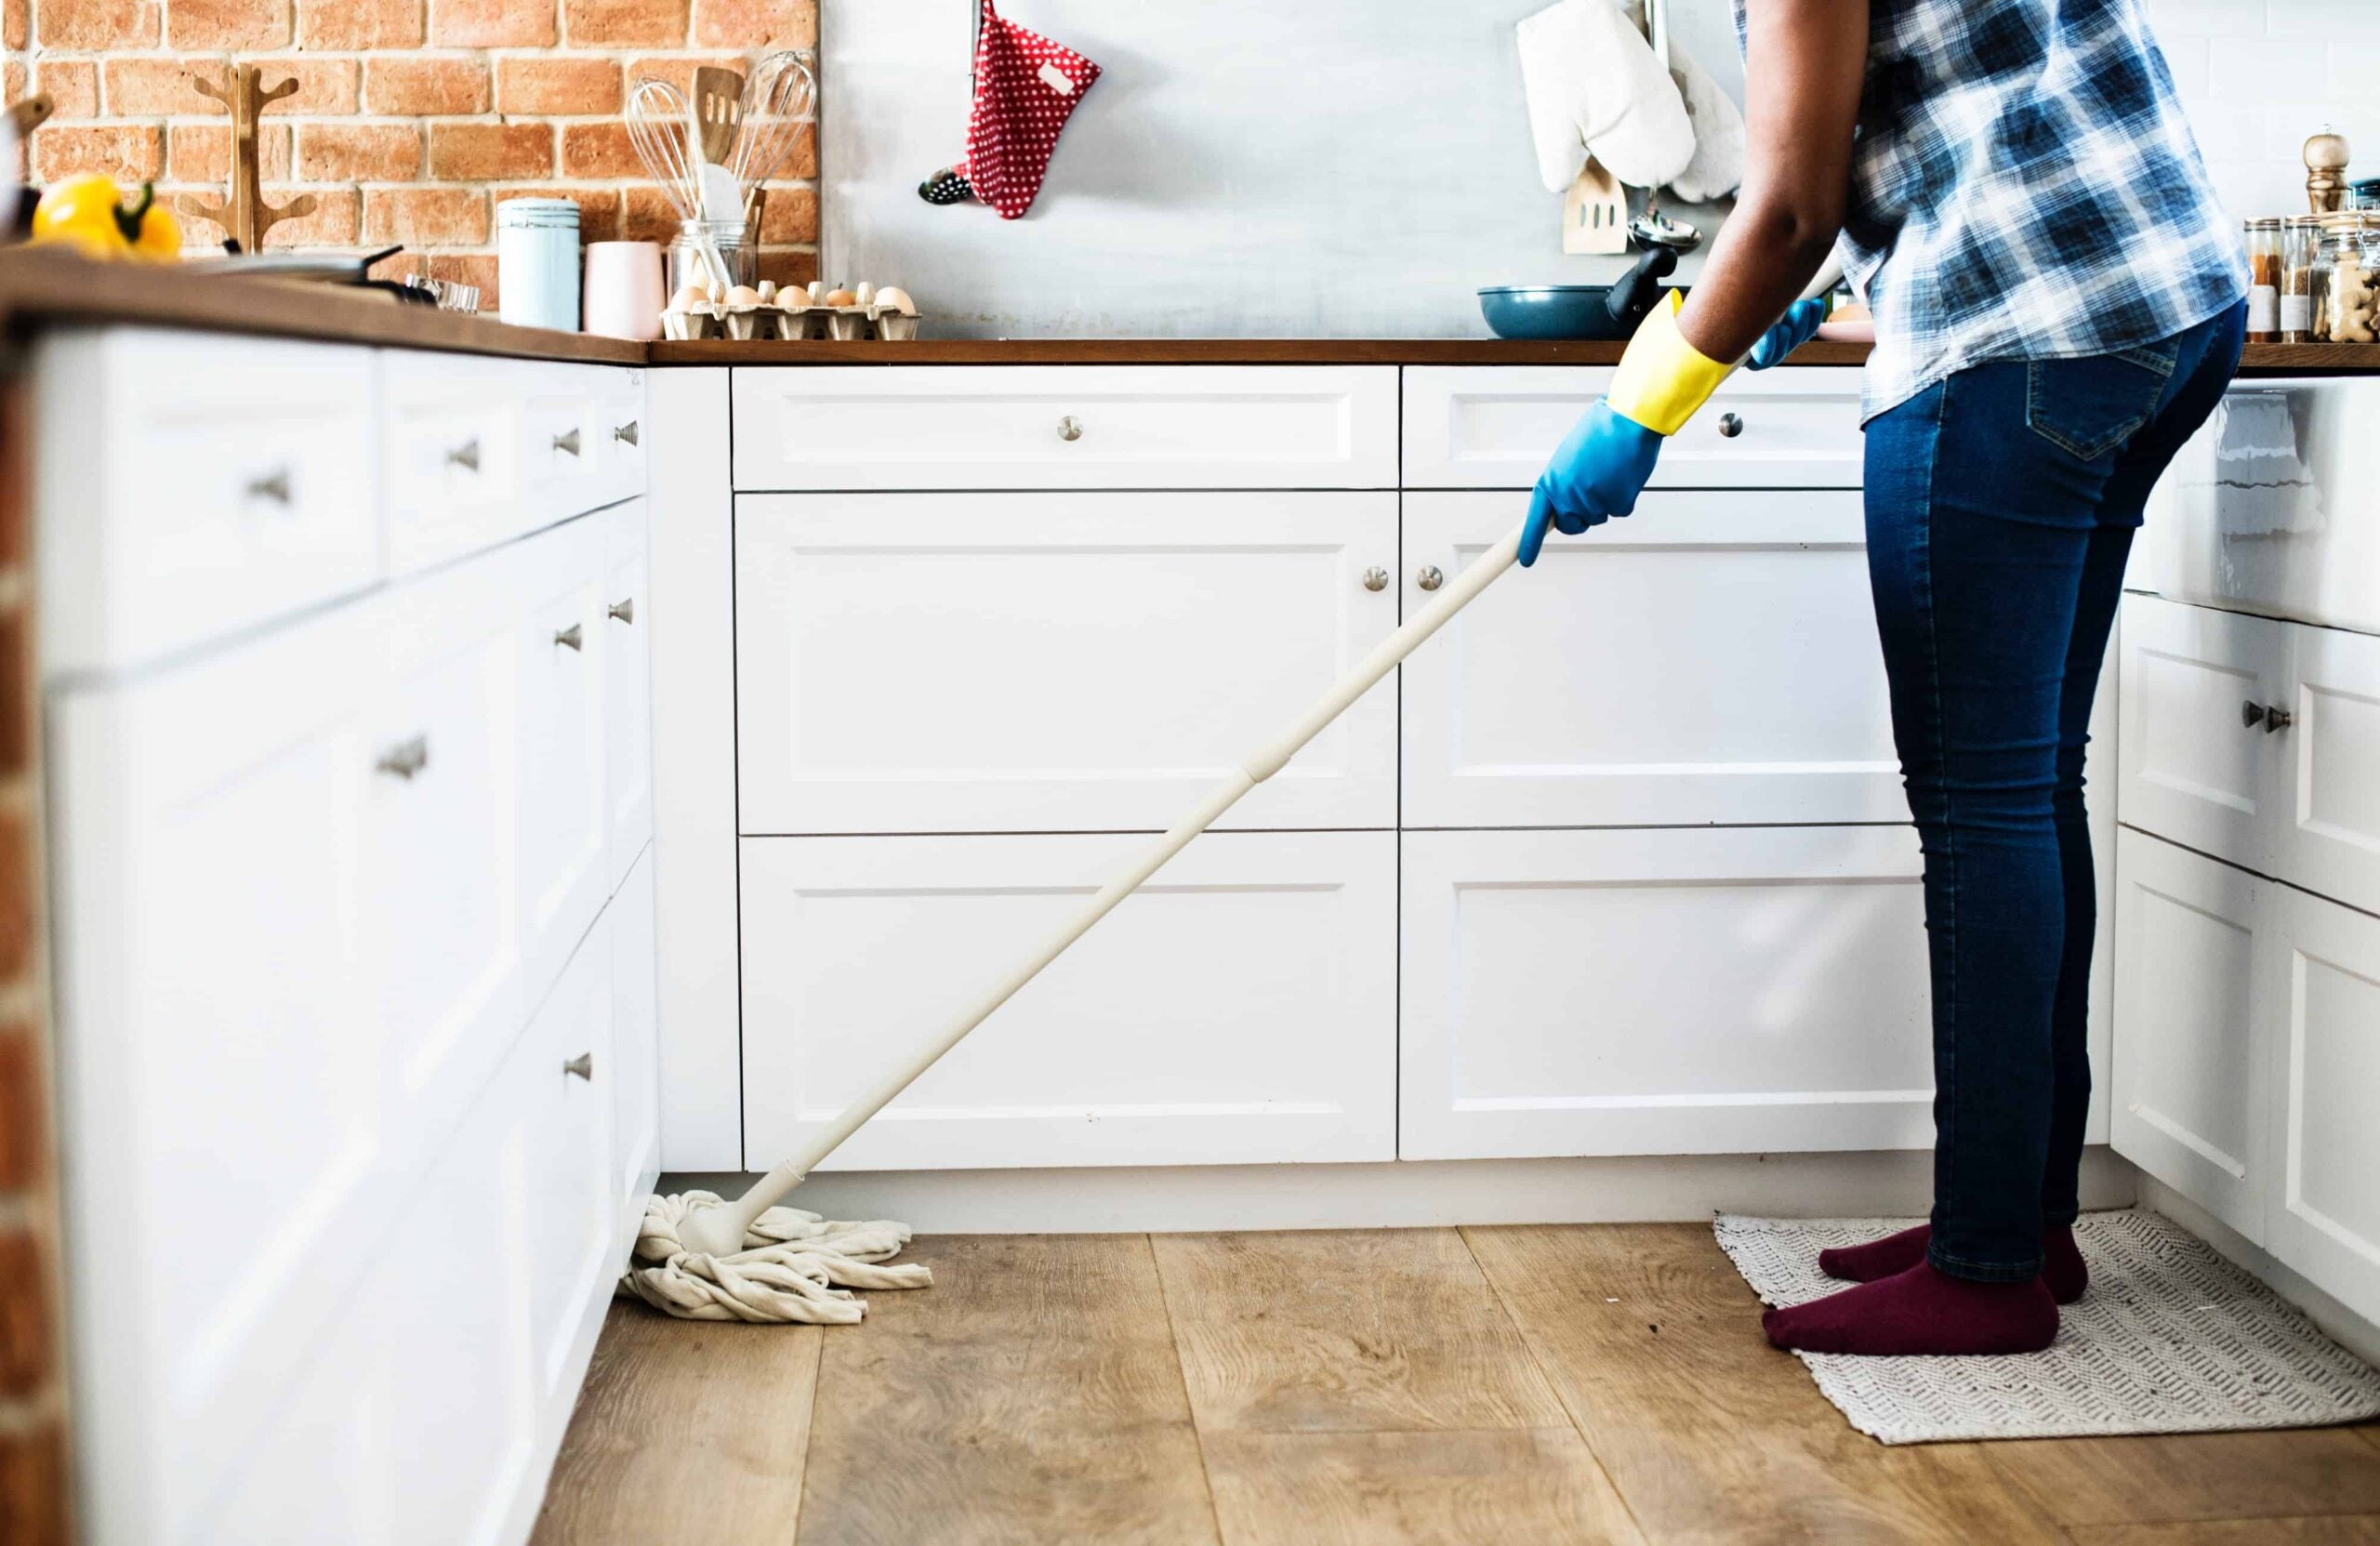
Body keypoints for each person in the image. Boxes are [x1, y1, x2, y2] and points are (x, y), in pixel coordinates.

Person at [1526, 0, 2247, 1357]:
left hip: (2021, 338)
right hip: (2161, 311)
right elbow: (1948, 106)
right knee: (2028, 786)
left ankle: (1986, 1271)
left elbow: (1789, 201)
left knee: (1983, 804)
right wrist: (1817, 285)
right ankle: (2020, 1219)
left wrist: (1644, 410)